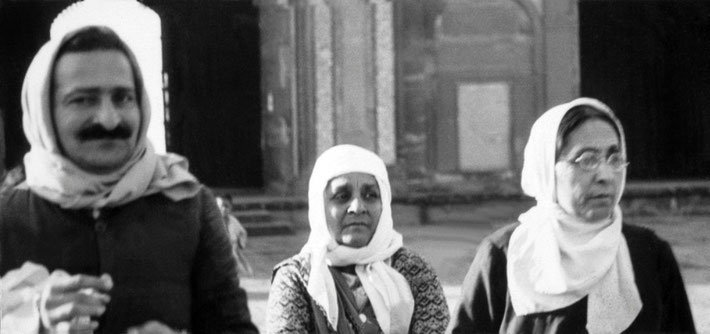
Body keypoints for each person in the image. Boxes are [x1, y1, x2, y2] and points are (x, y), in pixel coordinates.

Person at [0, 25, 258, 333]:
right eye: (83, 100)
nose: (109, 119)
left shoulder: (190, 206)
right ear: (44, 112)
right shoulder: (8, 219)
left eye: (123, 98)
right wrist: (28, 323)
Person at [450, 98, 696, 333]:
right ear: (547, 168)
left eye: (614, 158)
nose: (605, 175)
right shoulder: (507, 255)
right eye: (587, 159)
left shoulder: (650, 255)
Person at [266, 144, 450, 334]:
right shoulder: (298, 277)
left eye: (370, 195)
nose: (357, 207)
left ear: (384, 204)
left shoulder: (413, 271)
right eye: (341, 196)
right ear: (319, 205)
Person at [216, 195, 253, 277]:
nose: (224, 209)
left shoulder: (233, 220)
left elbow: (242, 232)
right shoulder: (214, 222)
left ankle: (247, 275)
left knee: (241, 262)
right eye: (222, 206)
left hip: (233, 248)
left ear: (231, 208)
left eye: (227, 207)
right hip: (220, 252)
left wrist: (240, 243)